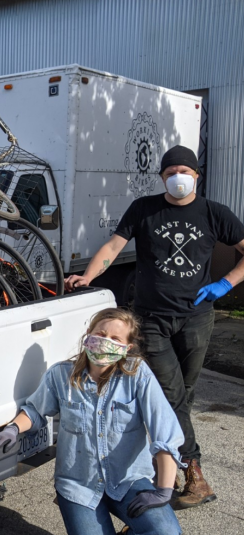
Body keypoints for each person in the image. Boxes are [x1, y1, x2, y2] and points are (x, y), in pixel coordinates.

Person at [65, 145, 244, 509]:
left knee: (184, 393)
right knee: (171, 392)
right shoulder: (144, 209)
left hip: (197, 317)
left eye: (185, 170)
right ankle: (193, 471)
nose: (179, 176)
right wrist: (87, 276)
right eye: (171, 170)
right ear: (162, 176)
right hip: (150, 319)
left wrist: (225, 284)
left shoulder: (214, 213)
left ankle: (168, 458)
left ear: (197, 175)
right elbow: (113, 248)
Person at [0, 308, 183, 535]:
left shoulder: (137, 375)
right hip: (78, 484)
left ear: (126, 348)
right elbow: (36, 410)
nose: (105, 341)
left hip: (127, 481)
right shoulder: (61, 375)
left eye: (115, 338)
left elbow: (165, 432)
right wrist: (14, 428)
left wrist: (164, 490)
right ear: (88, 335)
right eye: (101, 334)